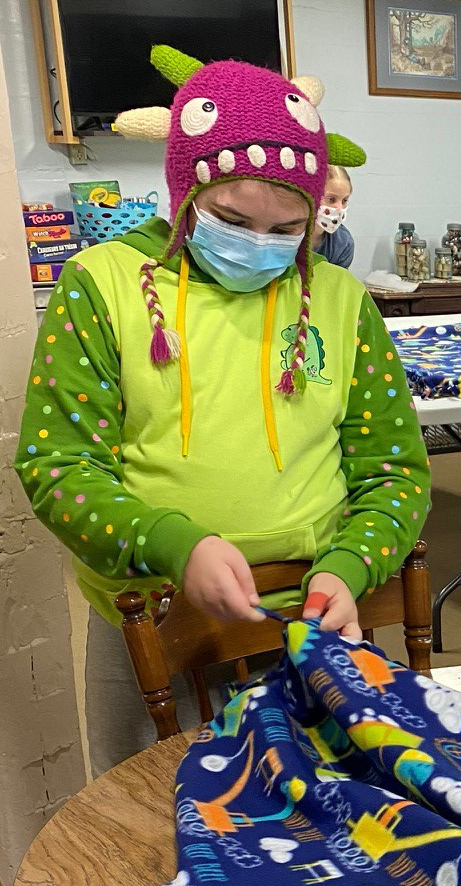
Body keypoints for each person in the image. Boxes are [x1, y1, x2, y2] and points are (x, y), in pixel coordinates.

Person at [16, 46, 431, 774]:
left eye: (286, 230)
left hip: (318, 615)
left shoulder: (339, 299)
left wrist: (351, 565)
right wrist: (177, 544)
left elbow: (394, 470)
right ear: (183, 193)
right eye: (232, 219)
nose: (259, 248)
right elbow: (59, 467)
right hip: (151, 622)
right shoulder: (99, 284)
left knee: (342, 833)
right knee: (148, 832)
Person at [314, 165, 355, 269]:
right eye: (331, 199)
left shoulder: (343, 243)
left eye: (344, 200)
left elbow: (337, 283)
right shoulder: (289, 237)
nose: (339, 208)